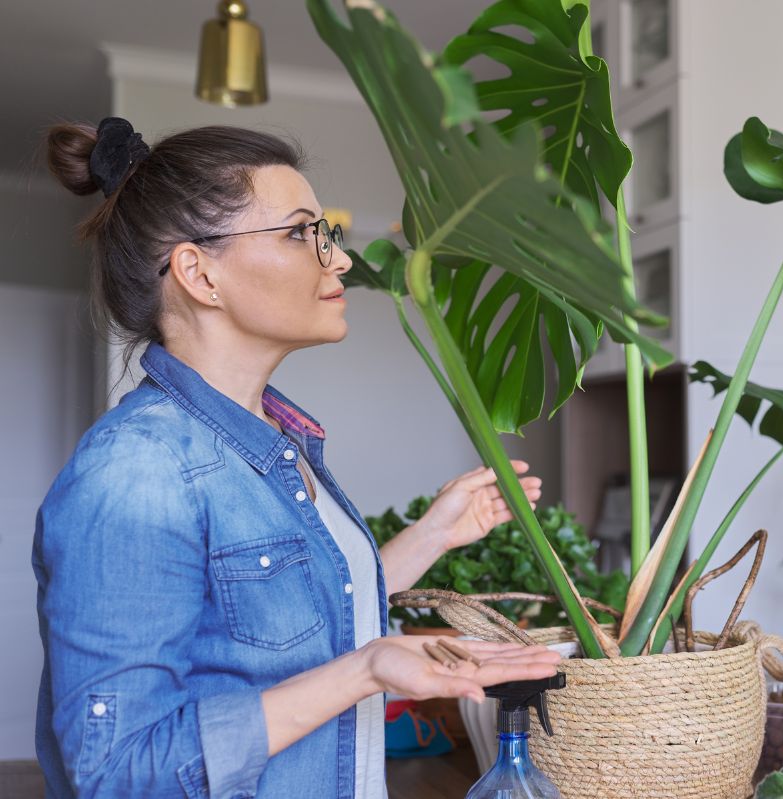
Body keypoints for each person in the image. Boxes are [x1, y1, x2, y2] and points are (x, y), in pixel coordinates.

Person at [33, 117, 562, 799]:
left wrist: (435, 532)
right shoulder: (137, 472)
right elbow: (118, 772)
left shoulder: (278, 441)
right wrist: (367, 671)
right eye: (298, 232)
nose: (337, 258)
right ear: (199, 272)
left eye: (326, 233)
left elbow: (293, 614)